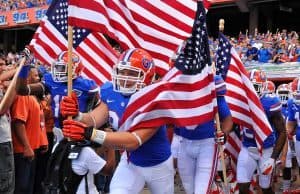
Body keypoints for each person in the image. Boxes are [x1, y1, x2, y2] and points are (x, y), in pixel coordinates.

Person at [60, 48, 174, 194]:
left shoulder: (154, 99)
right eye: (122, 72)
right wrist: (78, 115)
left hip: (159, 165)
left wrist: (90, 134)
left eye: (132, 73)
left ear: (147, 76)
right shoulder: (110, 91)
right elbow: (93, 119)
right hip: (131, 162)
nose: (125, 78)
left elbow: (133, 141)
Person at [15, 50, 100, 149]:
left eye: (62, 67)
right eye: (57, 67)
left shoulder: (87, 86)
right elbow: (22, 90)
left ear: (74, 68)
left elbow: (98, 113)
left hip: (80, 132)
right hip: (58, 132)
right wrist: (24, 67)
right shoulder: (51, 81)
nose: (58, 70)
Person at [173, 74, 233, 194]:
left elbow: (227, 119)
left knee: (201, 191)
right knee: (190, 190)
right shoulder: (177, 82)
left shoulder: (212, 83)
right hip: (184, 142)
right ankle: (216, 190)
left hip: (207, 144)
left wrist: (224, 133)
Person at [237, 69, 286, 194]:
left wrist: (273, 158)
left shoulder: (270, 102)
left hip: (266, 149)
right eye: (249, 86)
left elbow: (282, 132)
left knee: (266, 188)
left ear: (263, 86)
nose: (252, 90)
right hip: (247, 147)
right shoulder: (241, 100)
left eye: (255, 86)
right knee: (242, 185)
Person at [11, 65, 47, 194]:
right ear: (26, 77)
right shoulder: (22, 96)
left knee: (30, 187)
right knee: (23, 188)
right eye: (35, 75)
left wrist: (42, 142)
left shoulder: (33, 96)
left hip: (32, 149)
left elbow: (38, 123)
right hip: (23, 151)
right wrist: (26, 146)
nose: (38, 78)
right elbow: (18, 122)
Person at [0, 63, 18, 194]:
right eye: (0, 64)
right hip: (2, 141)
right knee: (6, 184)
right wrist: (15, 86)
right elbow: (1, 109)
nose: (4, 67)